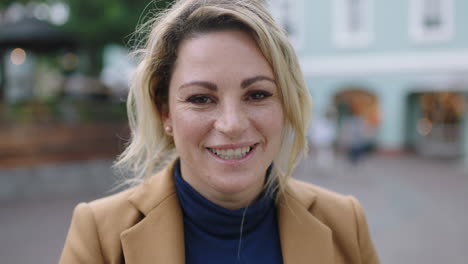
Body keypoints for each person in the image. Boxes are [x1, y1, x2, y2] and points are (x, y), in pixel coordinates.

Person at [59, 0, 380, 263]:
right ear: (165, 111)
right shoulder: (100, 235)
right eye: (201, 98)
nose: (232, 124)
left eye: (257, 94)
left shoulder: (344, 222)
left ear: (285, 104)